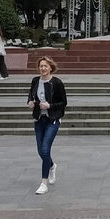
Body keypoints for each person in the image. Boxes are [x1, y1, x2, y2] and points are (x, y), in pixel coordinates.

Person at [27, 56, 67, 195]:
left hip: (52, 119)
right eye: (41, 66)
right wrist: (30, 103)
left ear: (51, 67)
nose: (43, 68)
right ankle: (51, 165)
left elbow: (63, 102)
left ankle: (43, 182)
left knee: (45, 150)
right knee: (40, 150)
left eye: (45, 66)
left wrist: (50, 105)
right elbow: (31, 95)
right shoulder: (35, 81)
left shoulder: (56, 83)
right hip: (39, 119)